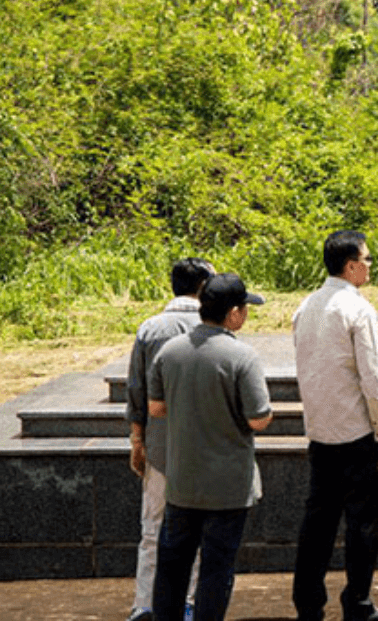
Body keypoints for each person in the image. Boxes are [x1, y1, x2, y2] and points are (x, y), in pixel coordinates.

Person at [147, 273, 272, 621]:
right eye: (244, 308)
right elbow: (258, 419)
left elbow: (156, 408)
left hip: (182, 481)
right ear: (233, 313)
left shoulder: (169, 352)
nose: (246, 315)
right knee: (216, 569)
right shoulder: (241, 357)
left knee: (172, 566)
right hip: (227, 485)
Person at [291, 230, 378, 621]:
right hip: (356, 434)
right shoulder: (358, 310)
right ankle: (358, 601)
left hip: (320, 431)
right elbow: (374, 378)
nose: (369, 266)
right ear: (351, 265)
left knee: (317, 523)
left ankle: (307, 601)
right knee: (361, 524)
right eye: (366, 260)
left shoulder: (306, 306)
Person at [125, 257, 216, 621]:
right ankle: (189, 603)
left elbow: (137, 389)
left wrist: (137, 440)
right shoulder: (213, 327)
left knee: (153, 529)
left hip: (160, 444)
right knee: (197, 530)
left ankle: (144, 604)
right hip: (206, 446)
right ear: (204, 286)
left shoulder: (150, 328)